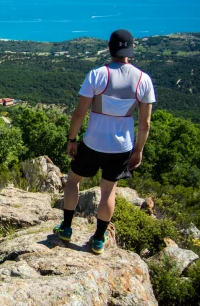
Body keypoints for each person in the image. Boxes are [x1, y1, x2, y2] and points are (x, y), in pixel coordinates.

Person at [54, 29, 155, 254]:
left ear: (110, 48)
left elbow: (79, 113)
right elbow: (145, 124)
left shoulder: (97, 75)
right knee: (108, 191)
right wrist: (138, 151)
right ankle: (99, 240)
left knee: (73, 181)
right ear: (131, 49)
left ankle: (66, 228)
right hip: (121, 148)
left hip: (92, 143)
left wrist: (72, 139)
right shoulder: (143, 80)